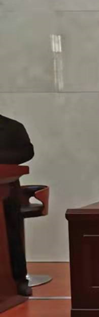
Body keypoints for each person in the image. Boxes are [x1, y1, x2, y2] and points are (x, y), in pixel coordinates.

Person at [0, 114, 35, 297]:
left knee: (11, 234)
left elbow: (27, 152)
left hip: (6, 190)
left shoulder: (12, 127)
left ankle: (19, 280)